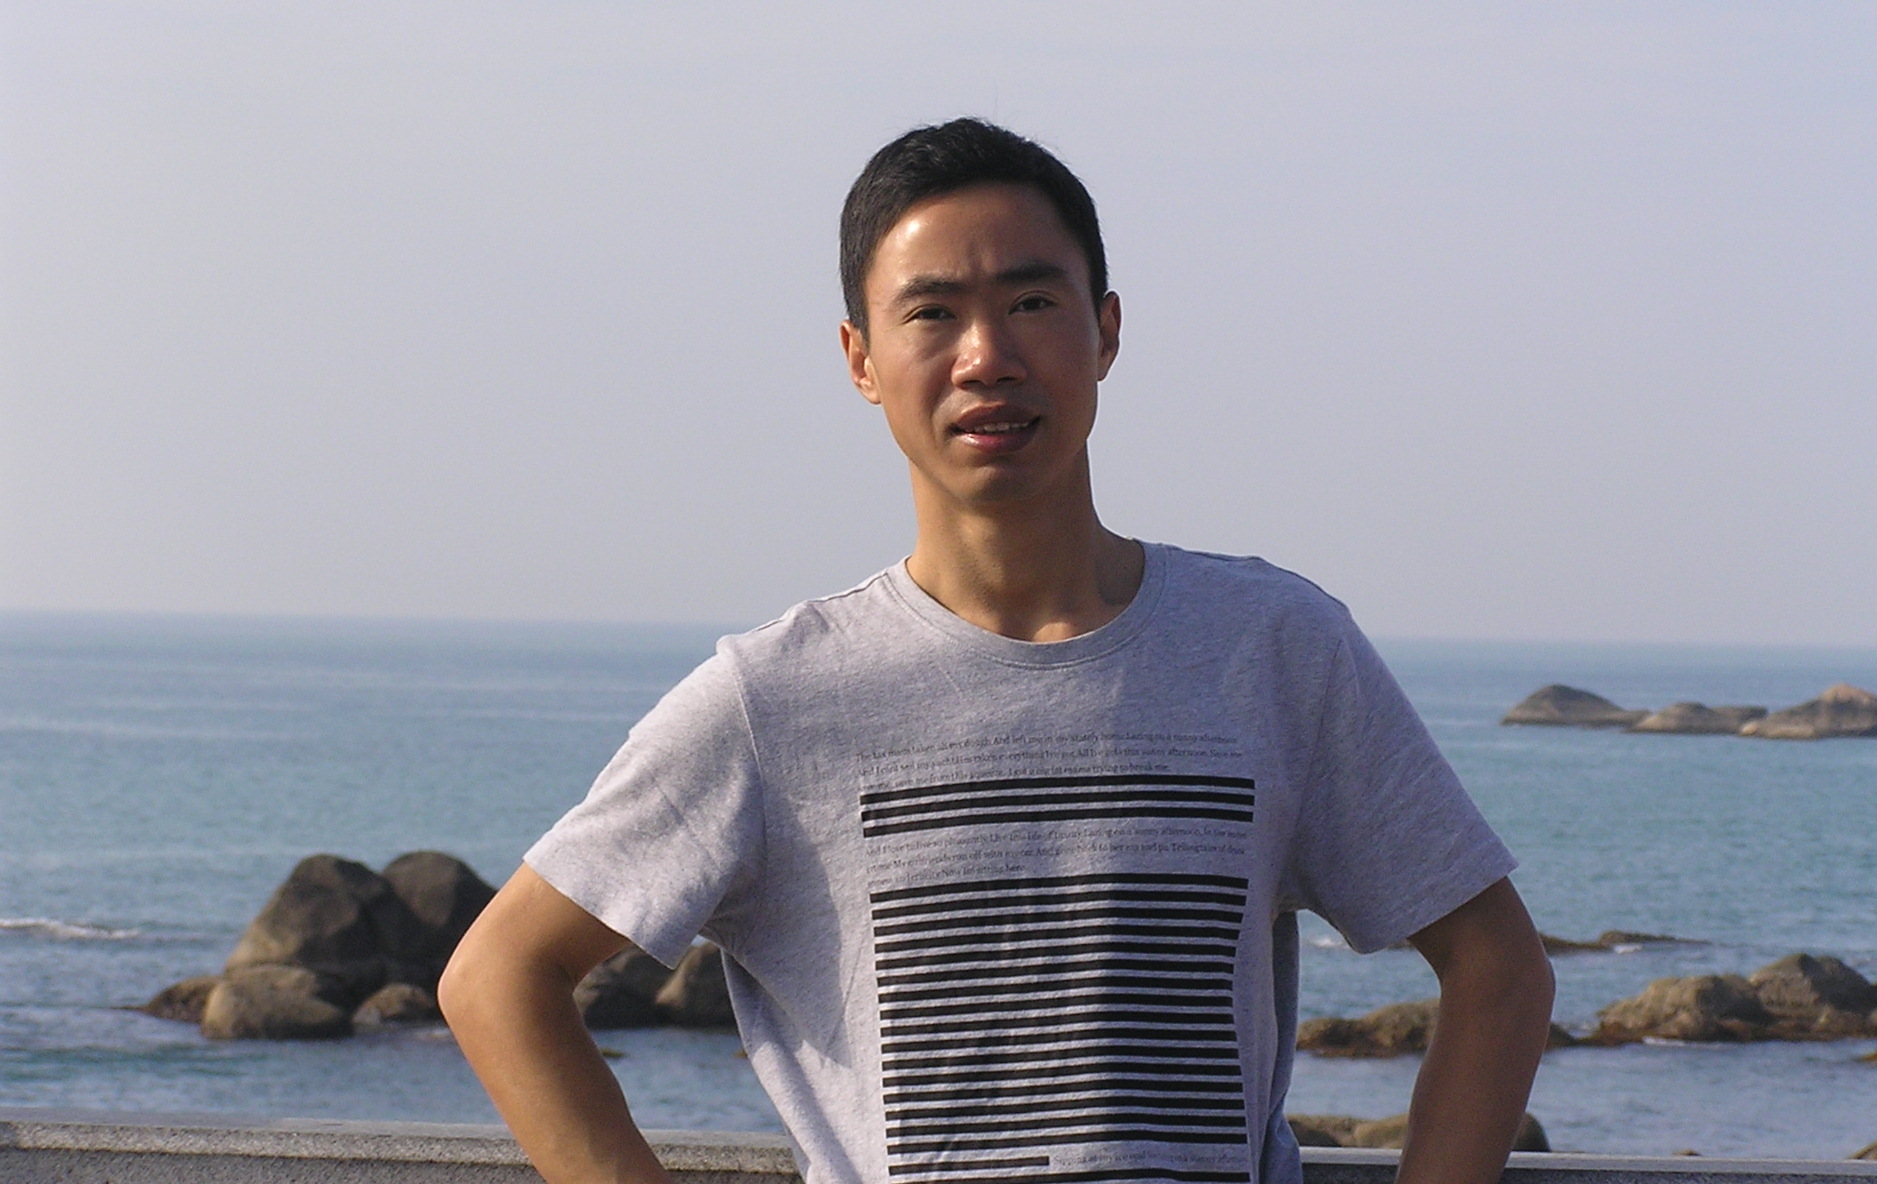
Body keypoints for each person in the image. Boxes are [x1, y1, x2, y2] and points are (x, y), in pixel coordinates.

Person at [441, 119, 1556, 1184]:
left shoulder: (1271, 649)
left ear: (1104, 331)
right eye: (932, 314)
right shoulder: (776, 698)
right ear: (860, 358)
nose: (987, 357)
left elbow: (1498, 971)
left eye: (1030, 302)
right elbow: (498, 978)